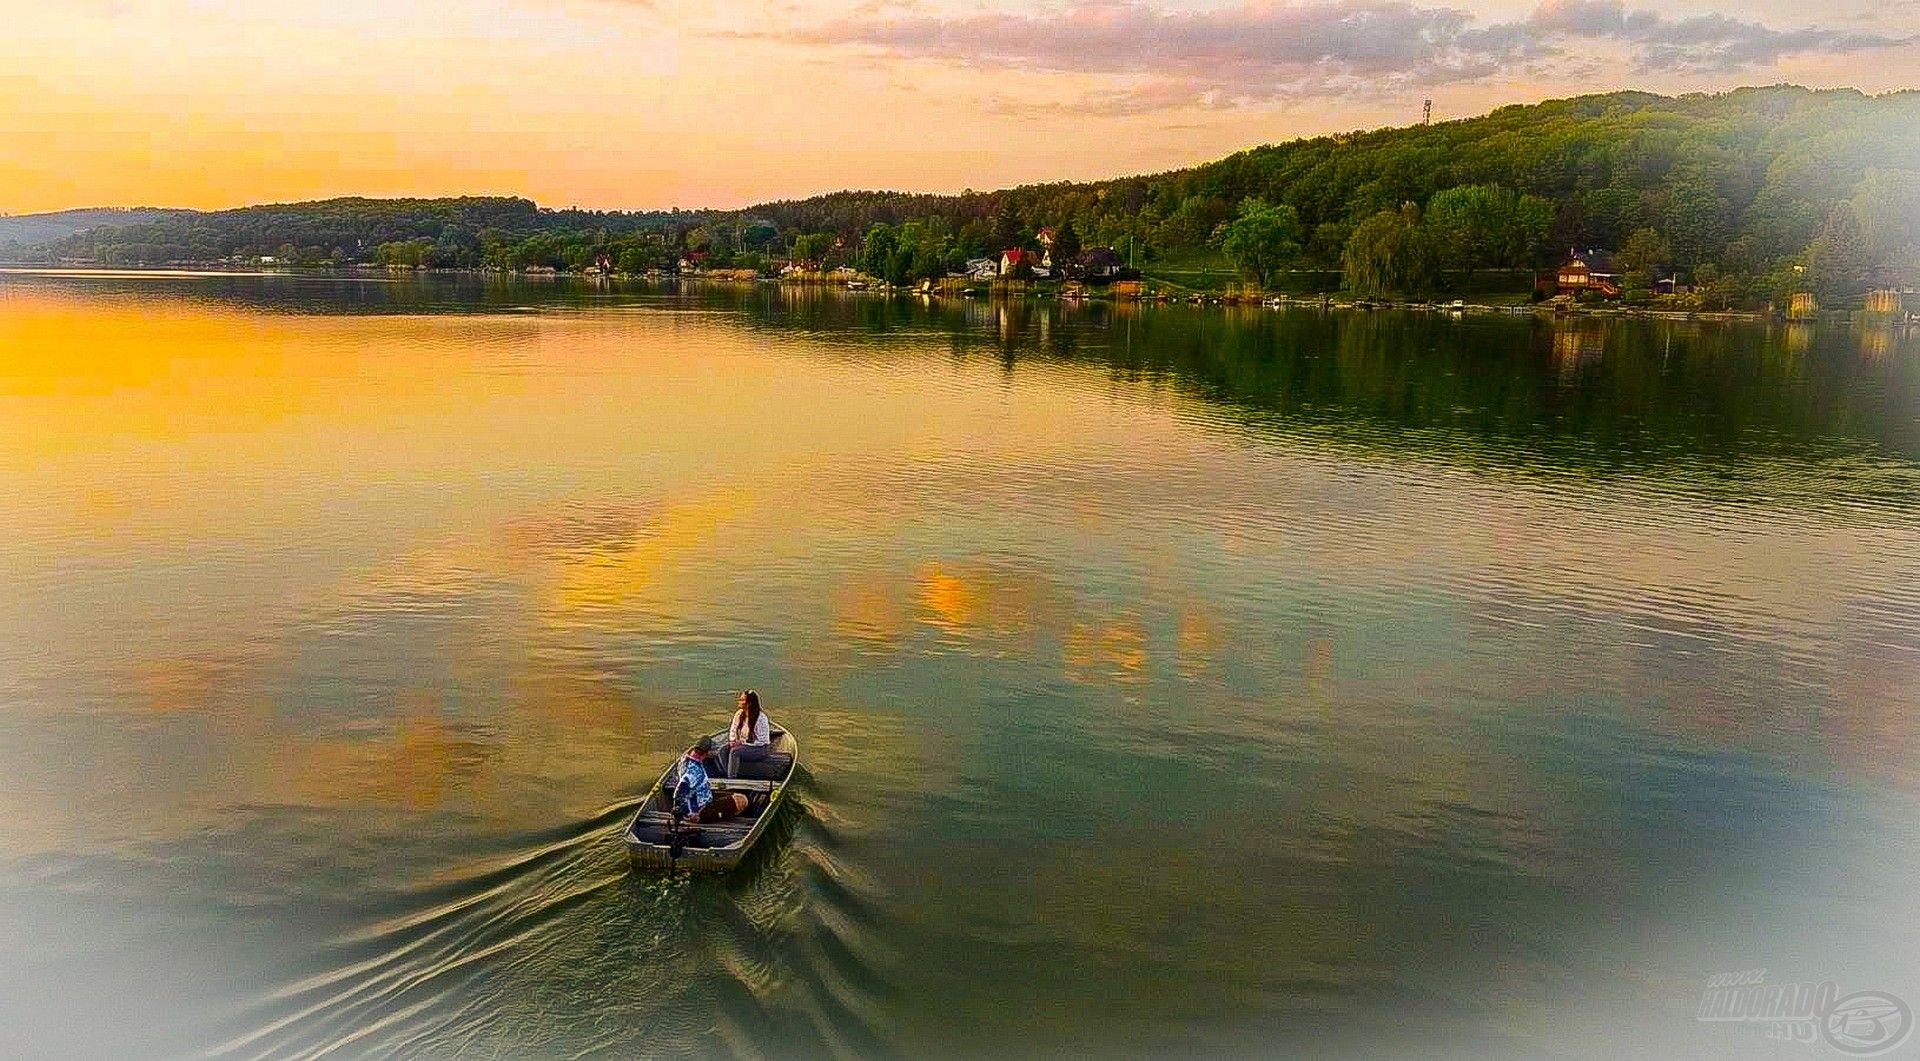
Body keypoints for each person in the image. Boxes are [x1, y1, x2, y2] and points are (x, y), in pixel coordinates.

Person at [671, 737, 747, 825]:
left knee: (733, 794)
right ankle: (720, 820)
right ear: (707, 753)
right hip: (701, 811)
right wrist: (689, 813)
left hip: (699, 799)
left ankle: (720, 814)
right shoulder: (694, 771)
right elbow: (683, 791)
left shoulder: (685, 761)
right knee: (742, 799)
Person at [724, 689, 774, 778]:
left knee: (734, 752)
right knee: (722, 750)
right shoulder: (739, 714)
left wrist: (742, 743)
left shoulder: (761, 718)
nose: (739, 701)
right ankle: (727, 771)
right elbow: (733, 729)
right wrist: (733, 740)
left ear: (749, 703)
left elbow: (761, 741)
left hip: (760, 748)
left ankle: (732, 779)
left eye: (742, 700)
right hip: (743, 745)